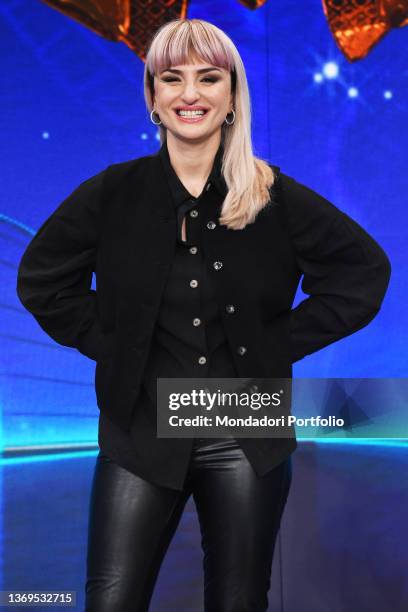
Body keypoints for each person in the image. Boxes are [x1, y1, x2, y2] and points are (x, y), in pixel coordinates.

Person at [16, 18, 391, 612]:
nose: (190, 93)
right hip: (138, 429)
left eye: (208, 77)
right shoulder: (111, 193)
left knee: (239, 602)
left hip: (246, 428)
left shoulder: (273, 196)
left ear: (232, 94)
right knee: (111, 601)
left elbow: (365, 273)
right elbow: (41, 280)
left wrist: (276, 343)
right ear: (153, 97)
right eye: (172, 78)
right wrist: (114, 343)